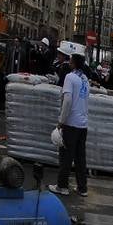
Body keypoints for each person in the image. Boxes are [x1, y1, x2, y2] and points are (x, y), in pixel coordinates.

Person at [49, 52, 90, 197]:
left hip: (71, 123)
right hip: (83, 124)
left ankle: (62, 186)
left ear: (73, 63)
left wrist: (61, 121)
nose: (69, 62)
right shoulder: (85, 79)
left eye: (70, 60)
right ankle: (82, 188)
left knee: (66, 156)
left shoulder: (70, 77)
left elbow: (67, 101)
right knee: (80, 157)